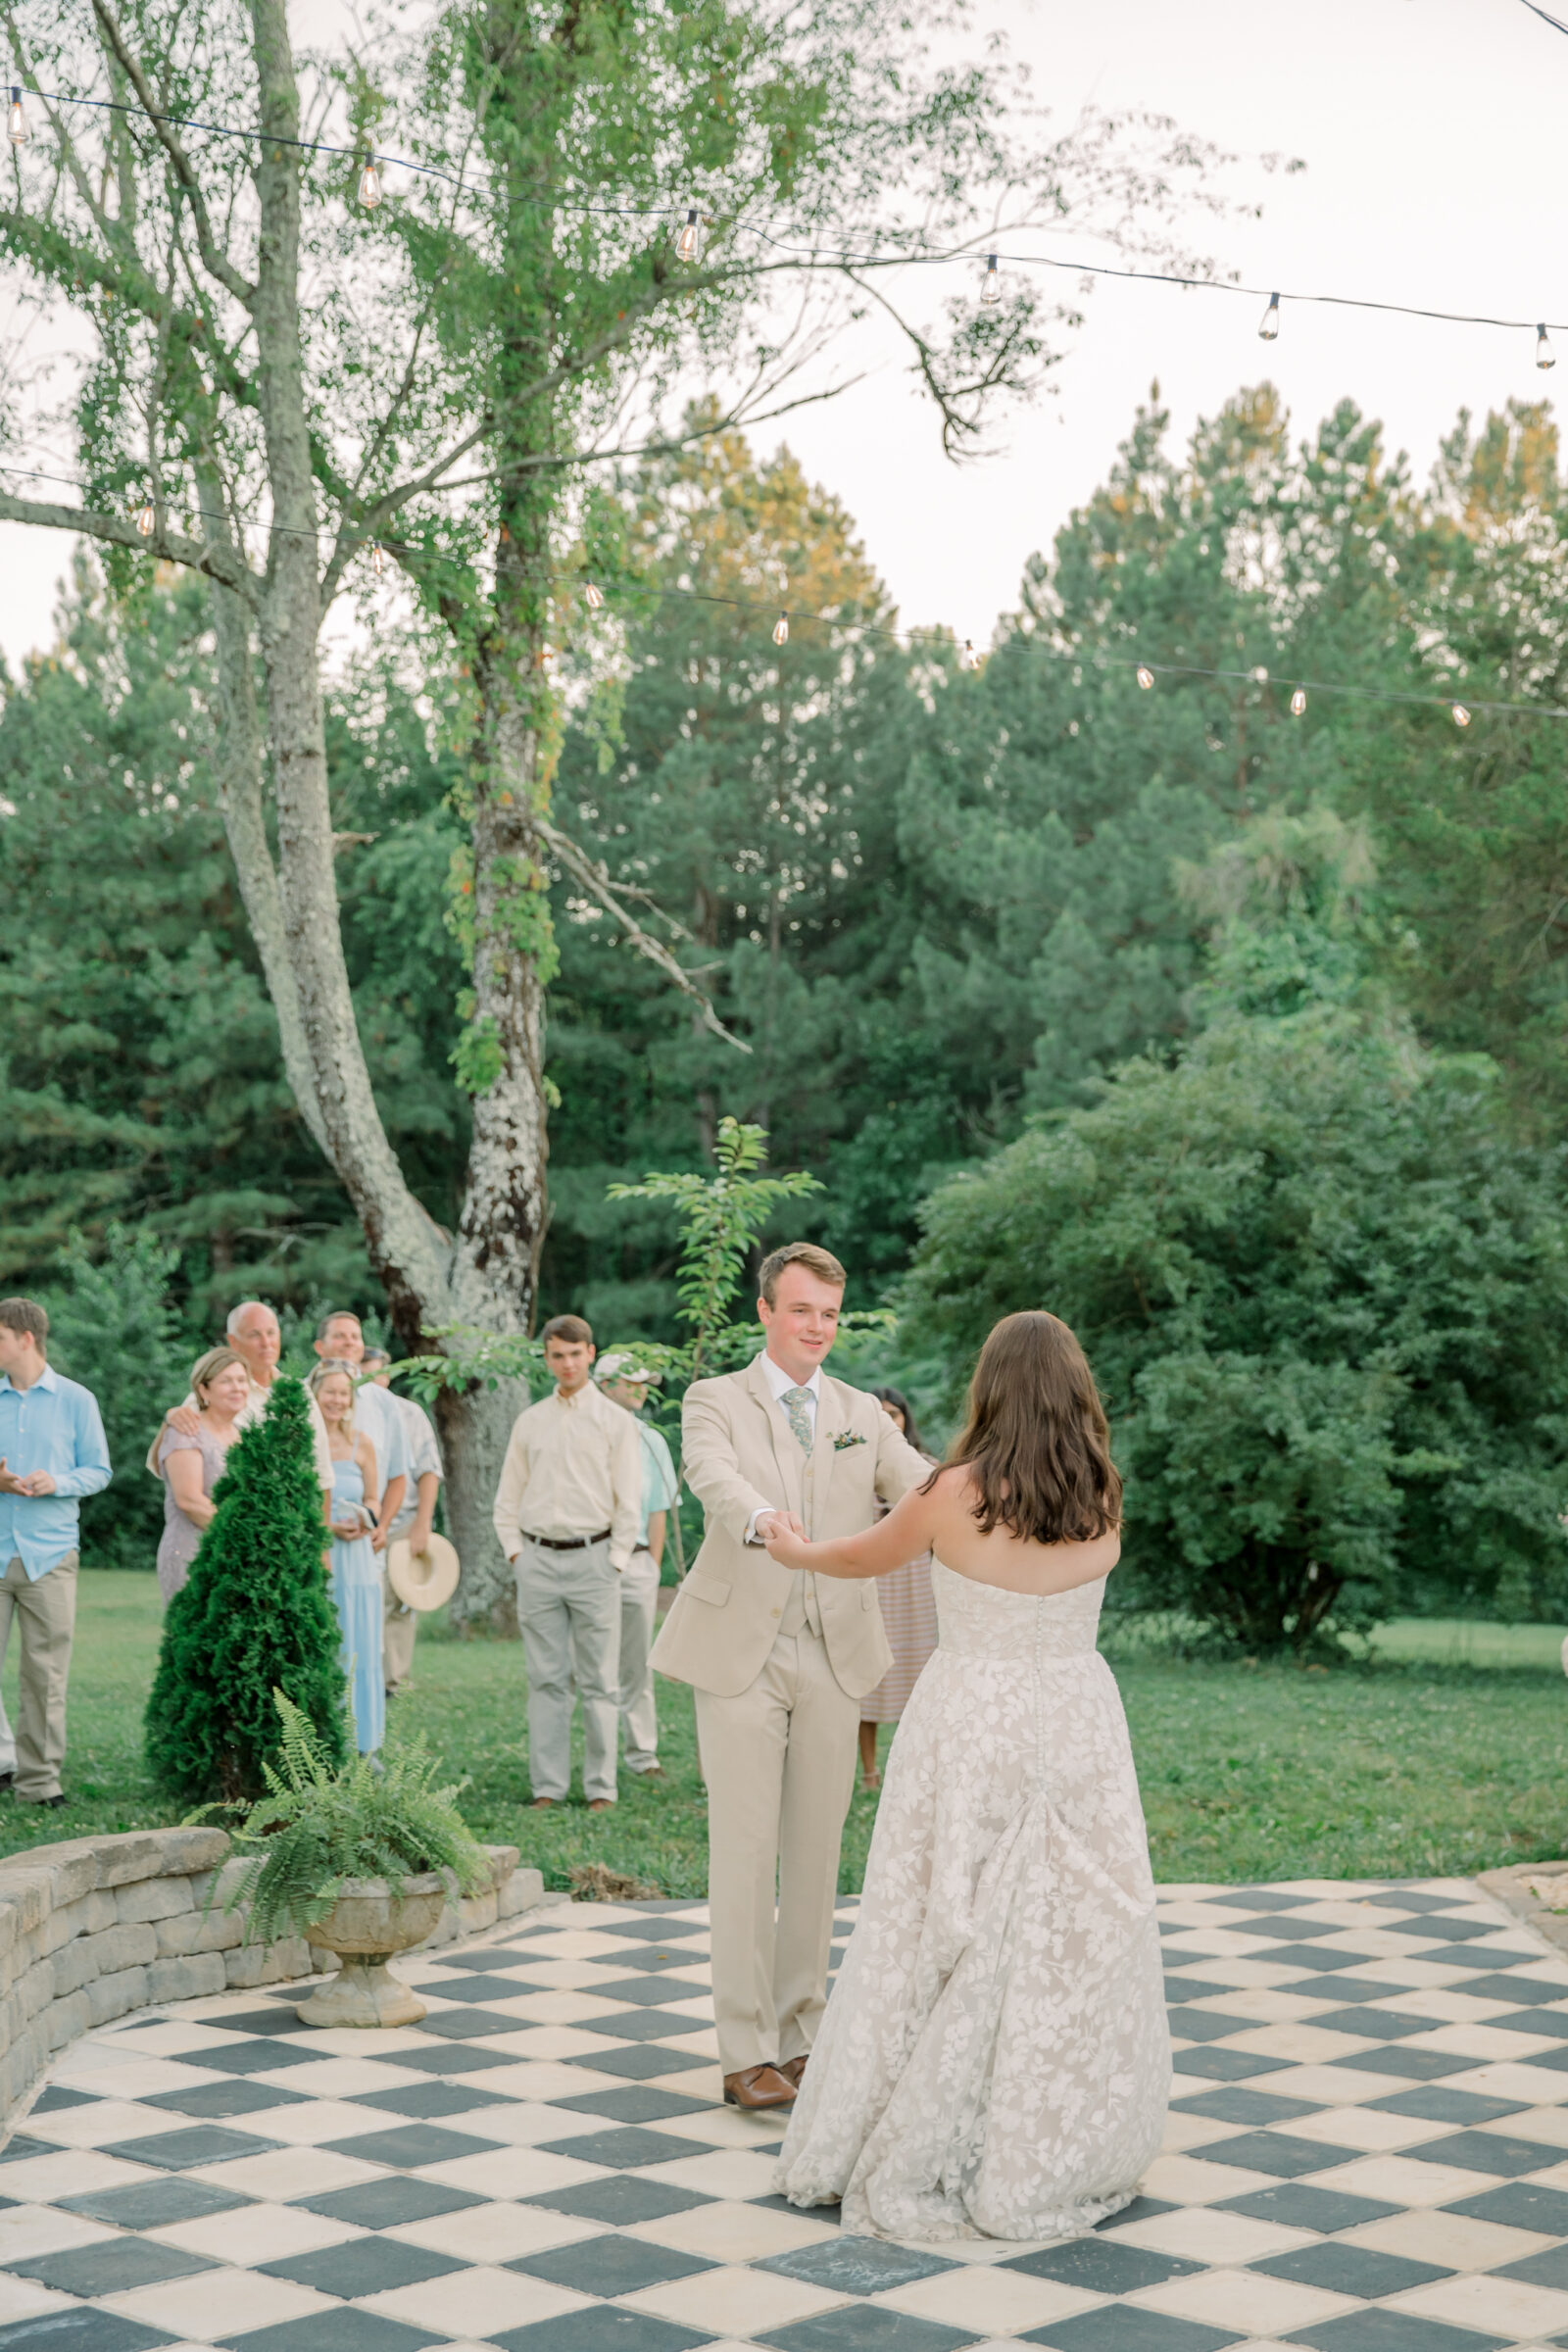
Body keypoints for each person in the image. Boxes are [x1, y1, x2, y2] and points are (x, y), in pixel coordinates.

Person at [767, 1309, 1168, 2242]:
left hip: (971, 1720)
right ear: (1077, 1391)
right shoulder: (1102, 1493)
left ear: (989, 1389)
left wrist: (794, 1549)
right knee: (1061, 1930)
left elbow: (861, 1559)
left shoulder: (953, 1493)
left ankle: (926, 2121)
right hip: (1074, 1720)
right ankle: (1045, 2128)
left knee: (935, 1917)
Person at [649, 1243, 929, 2113]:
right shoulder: (712, 1399)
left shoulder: (859, 1411)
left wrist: (992, 1501)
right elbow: (711, 1474)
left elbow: (918, 1487)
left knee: (816, 1853)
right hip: (740, 1650)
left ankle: (802, 2036)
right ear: (766, 1311)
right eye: (802, 1310)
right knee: (744, 1850)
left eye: (830, 1315)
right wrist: (761, 1514)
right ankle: (744, 2051)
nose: (818, 1329)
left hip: (838, 1651)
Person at [492, 1315, 643, 1812]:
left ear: (591, 1354)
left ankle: (601, 1787)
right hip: (536, 1560)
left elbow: (629, 1501)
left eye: (575, 1354)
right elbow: (507, 1497)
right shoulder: (530, 1421)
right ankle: (548, 1787)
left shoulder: (615, 1422)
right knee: (547, 1678)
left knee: (600, 1679)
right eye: (558, 1355)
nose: (567, 1364)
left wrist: (616, 1561)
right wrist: (517, 1554)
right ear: (547, 1358)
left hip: (595, 1561)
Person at [0, 1298, 111, 1809]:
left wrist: (59, 1482)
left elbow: (99, 1471)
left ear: (26, 1339)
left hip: (49, 1556)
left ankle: (39, 1785)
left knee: (44, 1677)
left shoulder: (76, 1400)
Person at [150, 1301, 334, 1519]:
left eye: (271, 1333)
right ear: (233, 1342)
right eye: (255, 1335)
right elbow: (164, 1464)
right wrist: (169, 1419)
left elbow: (322, 1474)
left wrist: (322, 1544)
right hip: (230, 1529)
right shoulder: (211, 1396)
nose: (266, 1343)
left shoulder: (299, 1393)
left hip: (292, 1528)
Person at [594, 1354, 679, 1784]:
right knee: (594, 1664)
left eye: (646, 1382)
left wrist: (651, 1565)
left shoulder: (651, 1441)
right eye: (632, 1381)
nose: (642, 1388)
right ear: (605, 1383)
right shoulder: (586, 1434)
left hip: (638, 1562)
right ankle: (599, 1756)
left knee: (637, 1663)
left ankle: (643, 1754)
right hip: (590, 1558)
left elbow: (659, 1509)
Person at [858, 1386, 939, 1792]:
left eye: (895, 1413)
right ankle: (869, 1772)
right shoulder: (854, 1468)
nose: (889, 1421)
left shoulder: (928, 1469)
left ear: (906, 1418)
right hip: (872, 1582)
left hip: (917, 1585)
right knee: (869, 1678)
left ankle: (915, 1774)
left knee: (921, 1680)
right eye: (881, 1413)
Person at [307, 1360, 384, 1756]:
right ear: (315, 1395)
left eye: (343, 1393)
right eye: (330, 1393)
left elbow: (374, 1498)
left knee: (362, 1649)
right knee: (330, 1649)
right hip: (321, 1552)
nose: (336, 1400)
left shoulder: (362, 1443)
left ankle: (365, 1744)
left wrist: (365, 1518)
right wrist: (327, 1527)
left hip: (357, 1558)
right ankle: (325, 1742)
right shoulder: (304, 1441)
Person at [360, 1346, 444, 1695]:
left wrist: (422, 1524)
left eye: (376, 1373)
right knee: (369, 1600)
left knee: (399, 1601)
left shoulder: (409, 1414)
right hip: (360, 1523)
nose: (372, 1381)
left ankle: (393, 1681)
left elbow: (428, 1471)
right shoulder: (344, 1409)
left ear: (387, 1375)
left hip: (404, 1520)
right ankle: (363, 1676)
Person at [154, 1347, 249, 1604]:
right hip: (193, 1554)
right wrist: (243, 1537)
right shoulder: (186, 1432)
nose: (237, 1388)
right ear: (203, 1390)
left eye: (242, 1380)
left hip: (237, 1558)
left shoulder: (245, 1436)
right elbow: (190, 1501)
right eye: (226, 1381)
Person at [310, 1315, 408, 1558]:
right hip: (312, 1546)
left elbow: (398, 1474)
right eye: (339, 1336)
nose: (349, 1342)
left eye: (355, 1336)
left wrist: (381, 1525)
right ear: (320, 1346)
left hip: (365, 1546)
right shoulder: (301, 1396)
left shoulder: (385, 1402)